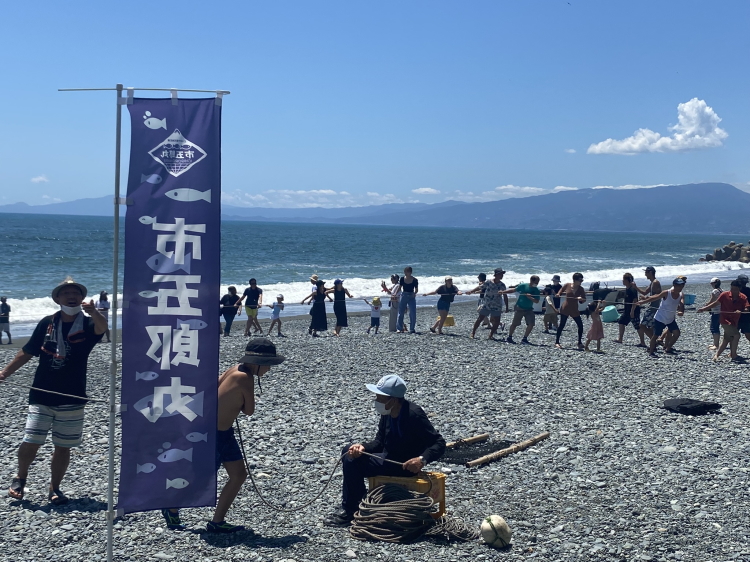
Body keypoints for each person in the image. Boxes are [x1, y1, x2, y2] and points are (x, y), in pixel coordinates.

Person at [0, 278, 106, 504]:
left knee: (63, 446)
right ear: (57, 299)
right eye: (65, 292)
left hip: (73, 395)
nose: (71, 296)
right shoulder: (46, 323)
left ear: (81, 298)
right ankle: (20, 477)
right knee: (31, 440)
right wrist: (4, 373)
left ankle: (54, 488)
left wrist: (94, 312)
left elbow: (102, 327)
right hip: (41, 393)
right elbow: (27, 351)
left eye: (75, 293)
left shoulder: (88, 325)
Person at [162, 338, 285, 533]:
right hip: (213, 436)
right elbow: (249, 410)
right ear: (256, 363)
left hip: (221, 432)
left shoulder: (234, 368)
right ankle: (171, 506)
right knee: (201, 476)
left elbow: (214, 388)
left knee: (238, 475)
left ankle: (217, 521)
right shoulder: (245, 378)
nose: (269, 370)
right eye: (268, 365)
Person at [323, 374, 446, 527]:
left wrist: (421, 460)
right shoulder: (387, 413)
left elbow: (439, 443)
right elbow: (379, 442)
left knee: (351, 461)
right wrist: (363, 447)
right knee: (349, 451)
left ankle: (351, 511)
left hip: (403, 465)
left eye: (379, 397)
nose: (376, 400)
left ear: (393, 400)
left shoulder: (413, 414)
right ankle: (356, 503)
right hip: (387, 458)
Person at [698, 280, 748, 362]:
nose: (733, 291)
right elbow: (716, 303)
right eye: (732, 288)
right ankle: (734, 355)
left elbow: (746, 308)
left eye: (735, 289)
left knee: (726, 339)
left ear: (739, 289)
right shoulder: (724, 295)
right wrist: (704, 309)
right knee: (736, 335)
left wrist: (741, 310)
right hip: (725, 320)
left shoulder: (743, 297)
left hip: (734, 321)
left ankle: (716, 356)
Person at [638, 278, 686, 357]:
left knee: (677, 333)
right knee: (656, 335)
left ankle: (668, 348)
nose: (680, 287)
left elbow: (682, 304)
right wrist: (642, 302)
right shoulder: (667, 293)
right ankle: (651, 351)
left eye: (682, 285)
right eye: (678, 285)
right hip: (660, 318)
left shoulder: (681, 294)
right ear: (674, 285)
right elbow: (654, 297)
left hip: (670, 319)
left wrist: (681, 311)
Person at [469, 268, 508, 340]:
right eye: (501, 274)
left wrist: (507, 307)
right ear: (496, 275)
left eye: (502, 274)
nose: (502, 275)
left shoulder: (502, 285)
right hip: (487, 304)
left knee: (497, 321)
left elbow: (505, 296)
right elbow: (480, 287)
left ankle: (491, 335)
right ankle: (473, 333)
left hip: (497, 305)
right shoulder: (489, 282)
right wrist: (471, 291)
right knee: (480, 318)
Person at [502, 275, 541, 344]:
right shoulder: (523, 285)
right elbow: (514, 290)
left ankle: (524, 339)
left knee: (531, 324)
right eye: (536, 282)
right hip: (519, 307)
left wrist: (530, 297)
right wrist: (504, 292)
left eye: (538, 282)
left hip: (529, 309)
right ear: (531, 281)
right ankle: (509, 337)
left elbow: (537, 301)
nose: (537, 284)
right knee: (515, 324)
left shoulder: (536, 290)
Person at [554, 273, 587, 349]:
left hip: (574, 309)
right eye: (580, 280)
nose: (581, 281)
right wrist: (558, 294)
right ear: (575, 280)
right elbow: (561, 290)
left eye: (582, 280)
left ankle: (579, 342)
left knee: (580, 326)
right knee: (562, 325)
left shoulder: (581, 289)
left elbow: (583, 300)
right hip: (565, 307)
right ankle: (557, 342)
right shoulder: (567, 285)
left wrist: (581, 299)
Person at [614, 273, 644, 346]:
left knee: (637, 326)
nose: (622, 281)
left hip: (633, 311)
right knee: (621, 322)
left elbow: (635, 300)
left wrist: (632, 311)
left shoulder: (632, 289)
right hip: (627, 310)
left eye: (624, 279)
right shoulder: (627, 289)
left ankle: (642, 342)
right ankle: (620, 339)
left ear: (628, 280)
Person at [637, 266, 661, 345]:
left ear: (650, 272)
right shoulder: (652, 282)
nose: (645, 274)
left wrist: (645, 300)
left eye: (646, 272)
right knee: (651, 327)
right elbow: (645, 293)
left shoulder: (655, 282)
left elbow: (658, 295)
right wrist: (635, 287)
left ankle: (655, 341)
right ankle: (655, 342)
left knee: (642, 325)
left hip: (653, 308)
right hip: (652, 307)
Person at [699, 278, 723, 350]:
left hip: (716, 311)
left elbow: (712, 301)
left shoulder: (715, 291)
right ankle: (715, 343)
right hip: (721, 311)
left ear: (714, 283)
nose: (711, 285)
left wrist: (704, 307)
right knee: (716, 327)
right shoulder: (721, 290)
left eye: (712, 283)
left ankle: (716, 345)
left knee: (714, 328)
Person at [396, 267, 419, 333]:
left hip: (411, 296)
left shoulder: (414, 280)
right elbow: (399, 288)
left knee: (412, 312)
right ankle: (399, 328)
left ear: (410, 272)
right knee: (401, 312)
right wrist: (396, 294)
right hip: (404, 295)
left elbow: (416, 290)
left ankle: (412, 328)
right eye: (405, 272)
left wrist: (414, 294)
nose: (406, 273)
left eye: (407, 272)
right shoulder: (402, 279)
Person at [737, 274, 750, 352]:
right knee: (748, 333)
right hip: (747, 315)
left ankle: (732, 352)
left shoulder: (738, 292)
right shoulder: (749, 290)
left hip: (738, 315)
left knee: (733, 334)